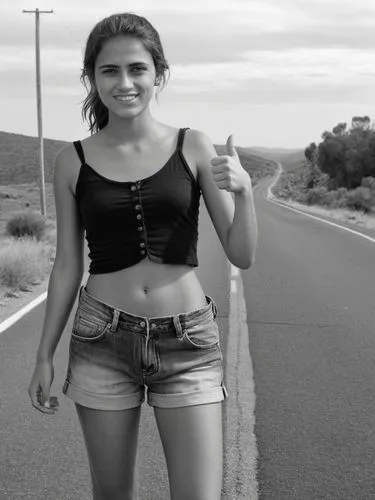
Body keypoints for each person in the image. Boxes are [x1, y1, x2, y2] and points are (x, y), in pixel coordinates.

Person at [28, 12, 258, 500]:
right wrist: (44, 354)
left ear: (159, 74)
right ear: (93, 77)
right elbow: (67, 264)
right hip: (101, 340)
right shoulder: (72, 160)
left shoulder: (191, 145)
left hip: (188, 342)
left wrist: (246, 195)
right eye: (110, 70)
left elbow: (242, 252)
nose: (125, 82)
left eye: (137, 69)